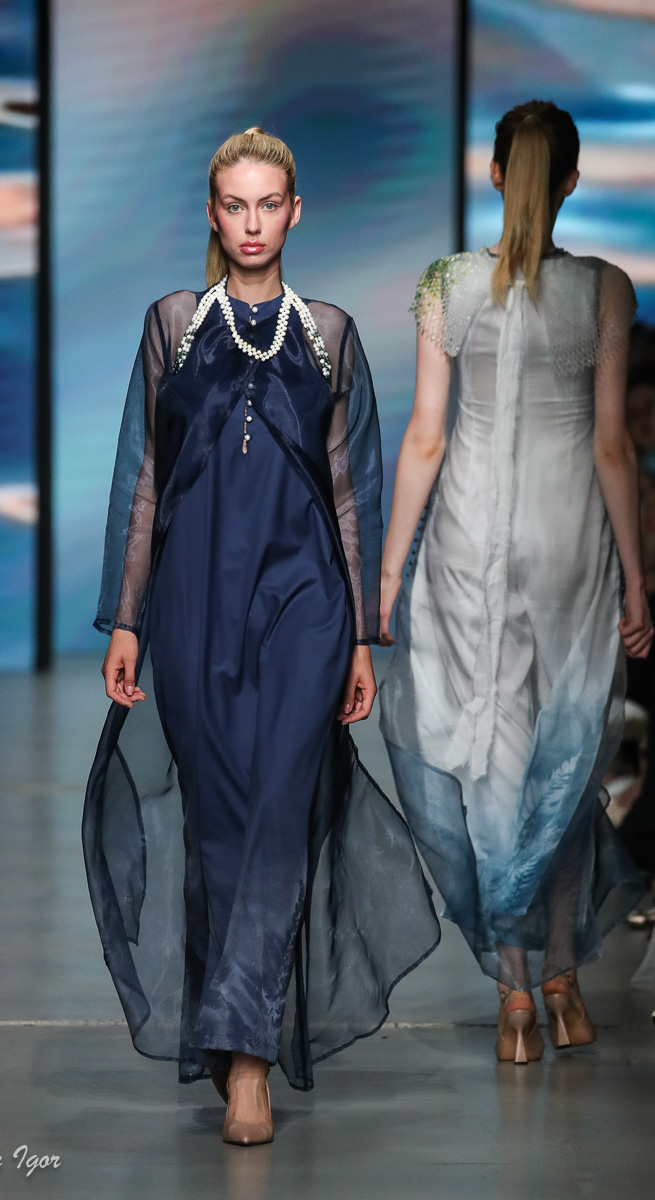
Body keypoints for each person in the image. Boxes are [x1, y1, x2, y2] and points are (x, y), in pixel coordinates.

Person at [84, 127, 439, 1145]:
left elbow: (351, 493)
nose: (251, 223)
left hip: (305, 607)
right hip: (192, 606)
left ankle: (246, 1063)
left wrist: (361, 636)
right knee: (219, 823)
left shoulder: (328, 332)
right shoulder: (171, 324)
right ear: (213, 213)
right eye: (234, 205)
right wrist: (126, 619)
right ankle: (234, 1029)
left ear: (294, 212)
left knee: (279, 810)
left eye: (268, 204)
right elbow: (143, 480)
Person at [379, 99, 652, 1064]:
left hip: (466, 538)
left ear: (494, 173)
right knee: (563, 767)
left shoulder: (444, 285)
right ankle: (565, 979)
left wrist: (386, 571)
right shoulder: (606, 290)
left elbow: (425, 436)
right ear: (571, 180)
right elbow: (613, 446)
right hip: (569, 534)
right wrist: (637, 579)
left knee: (491, 766)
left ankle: (514, 997)